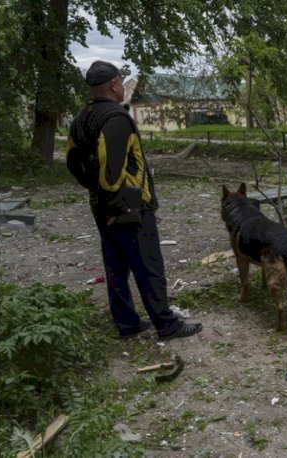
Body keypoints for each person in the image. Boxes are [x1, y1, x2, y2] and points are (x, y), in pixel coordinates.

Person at [67, 60, 202, 340]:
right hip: (128, 207)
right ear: (115, 84)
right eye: (121, 81)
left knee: (115, 266)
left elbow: (72, 161)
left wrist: (92, 189)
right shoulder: (116, 118)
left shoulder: (82, 118)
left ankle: (127, 322)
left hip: (101, 206)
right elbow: (110, 169)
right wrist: (116, 198)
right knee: (149, 265)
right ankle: (166, 323)